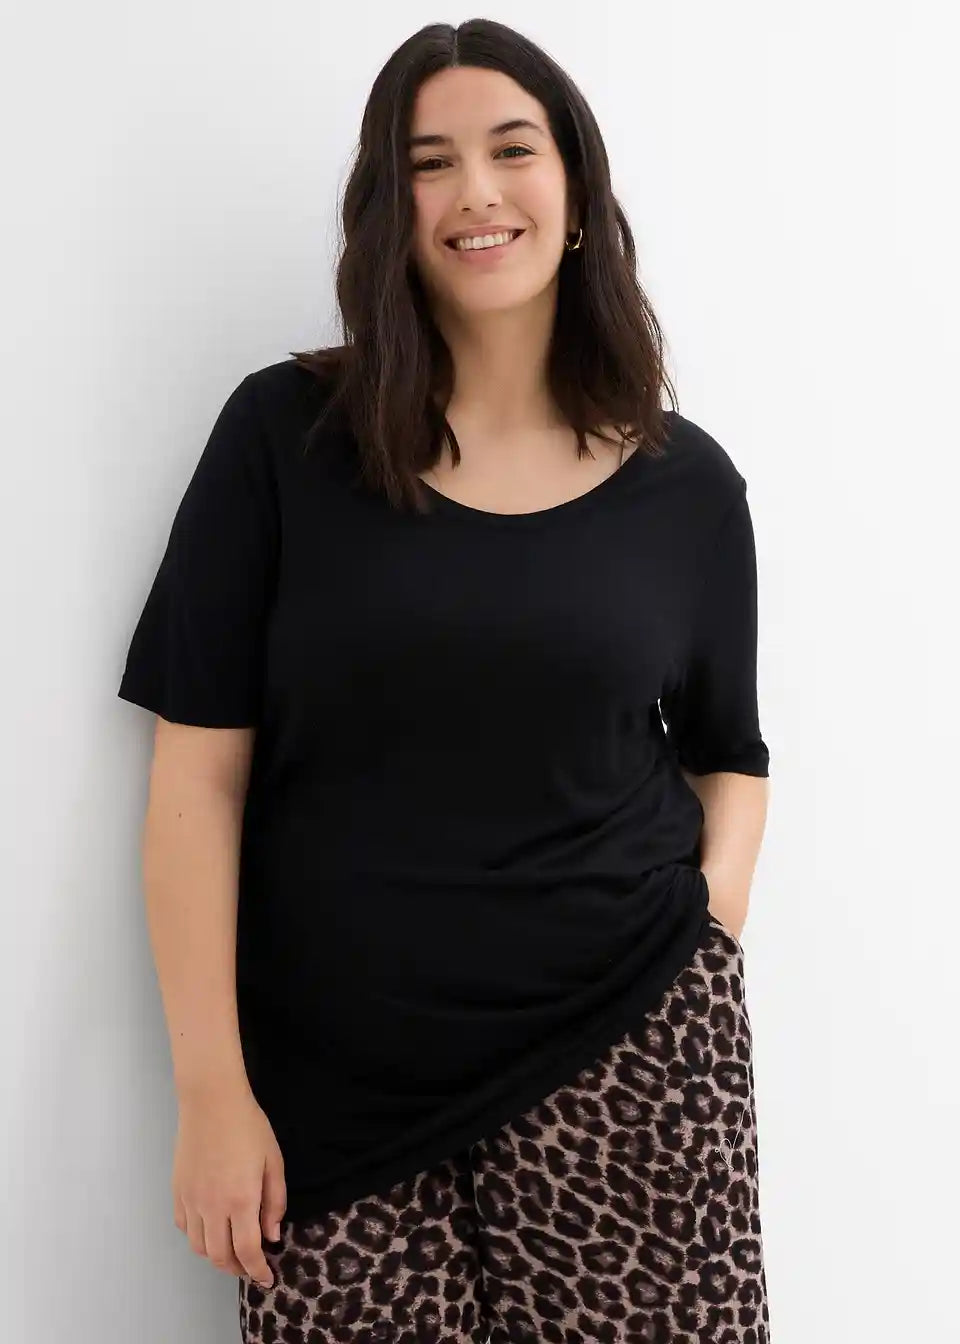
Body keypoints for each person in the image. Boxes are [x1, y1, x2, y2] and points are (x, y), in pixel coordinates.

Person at [118, 18, 772, 1344]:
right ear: (391, 210)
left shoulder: (686, 485)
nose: (476, 189)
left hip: (628, 1061)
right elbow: (197, 778)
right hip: (337, 1092)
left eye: (512, 149)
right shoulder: (282, 442)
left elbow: (731, 755)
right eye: (430, 162)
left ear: (575, 190)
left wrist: (698, 936)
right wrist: (210, 1093)